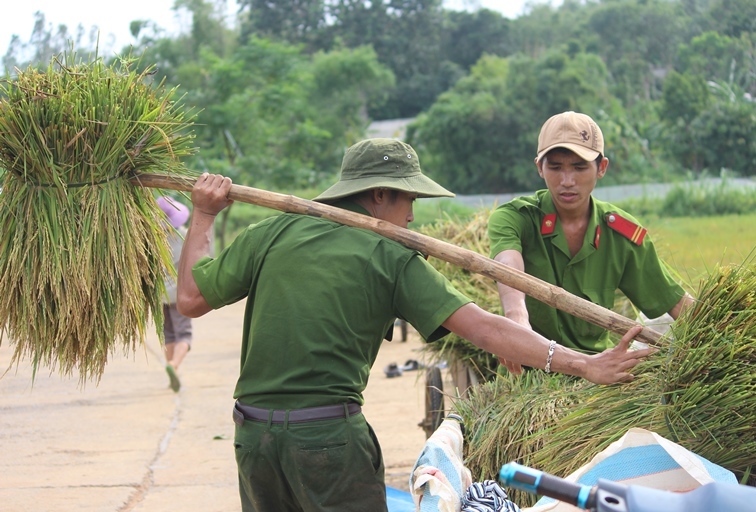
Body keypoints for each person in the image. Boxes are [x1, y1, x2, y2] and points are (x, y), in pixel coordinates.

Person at [175, 137, 653, 512]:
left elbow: (191, 299)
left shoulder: (269, 232)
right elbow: (485, 328)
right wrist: (583, 365)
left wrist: (203, 215)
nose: (412, 215)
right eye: (409, 200)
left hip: (253, 438)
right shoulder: (391, 255)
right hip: (328, 444)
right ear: (379, 195)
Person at [488, 111, 694, 360]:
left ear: (602, 168)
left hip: (596, 372)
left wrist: (727, 332)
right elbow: (508, 264)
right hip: (528, 364)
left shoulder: (622, 235)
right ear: (539, 168)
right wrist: (516, 317)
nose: (567, 181)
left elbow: (673, 301)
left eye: (579, 167)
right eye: (555, 167)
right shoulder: (514, 218)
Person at [157, 195, 193, 393]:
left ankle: (171, 368)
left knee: (168, 333)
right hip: (179, 297)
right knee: (184, 334)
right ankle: (174, 365)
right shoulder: (184, 236)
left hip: (160, 295)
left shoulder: (152, 241)